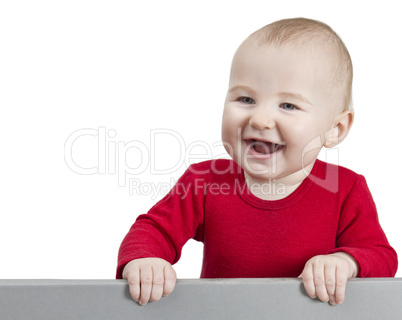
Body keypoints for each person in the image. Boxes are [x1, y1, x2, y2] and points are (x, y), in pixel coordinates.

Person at [116, 17, 398, 306]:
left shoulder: (345, 189)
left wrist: (346, 261)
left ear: (335, 129)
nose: (260, 119)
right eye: (245, 99)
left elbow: (381, 256)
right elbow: (153, 230)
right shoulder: (205, 181)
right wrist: (145, 259)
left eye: (288, 105)